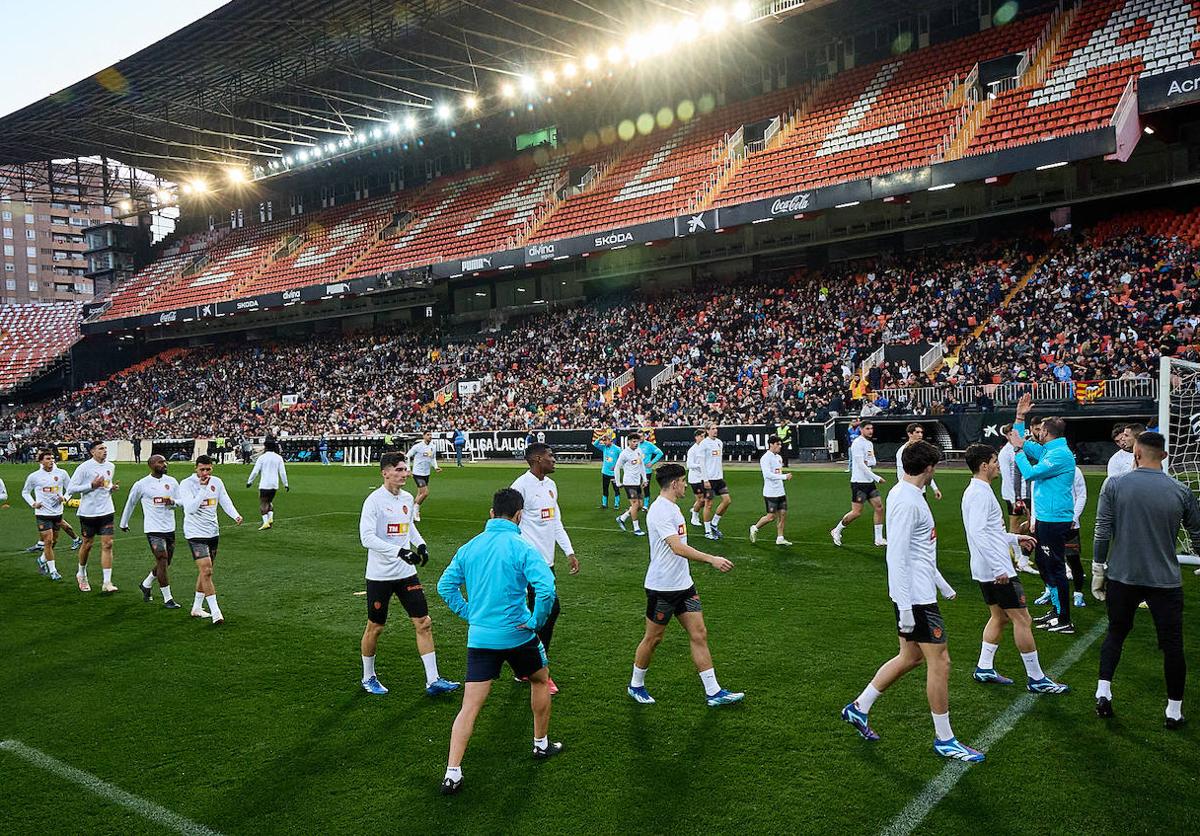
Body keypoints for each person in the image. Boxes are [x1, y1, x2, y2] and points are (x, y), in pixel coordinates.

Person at [841, 440, 985, 762]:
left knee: (909, 657)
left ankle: (859, 708)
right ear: (929, 469)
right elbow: (897, 556)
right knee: (941, 661)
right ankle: (945, 739)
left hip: (919, 592)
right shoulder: (907, 501)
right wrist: (905, 606)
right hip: (916, 600)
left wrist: (942, 584)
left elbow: (920, 552)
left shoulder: (908, 495)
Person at [437, 488, 560, 795]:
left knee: (470, 706)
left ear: (491, 513)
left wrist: (468, 612)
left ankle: (452, 772)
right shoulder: (522, 546)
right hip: (519, 634)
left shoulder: (470, 546)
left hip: (481, 637)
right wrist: (536, 621)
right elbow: (546, 590)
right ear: (519, 516)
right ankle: (540, 745)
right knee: (539, 680)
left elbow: (445, 586)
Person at [1092, 431, 1200, 727]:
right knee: (1172, 645)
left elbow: (1102, 529)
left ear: (1136, 454)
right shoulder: (1180, 491)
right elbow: (1197, 532)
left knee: (1116, 632)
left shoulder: (1114, 484)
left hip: (1122, 576)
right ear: (1164, 456)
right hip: (1164, 579)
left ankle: (1103, 692)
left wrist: (1098, 568)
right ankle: (1173, 711)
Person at [626, 463, 743, 707]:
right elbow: (677, 547)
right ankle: (635, 685)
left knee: (699, 634)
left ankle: (713, 692)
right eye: (684, 481)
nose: (687, 485)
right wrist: (711, 559)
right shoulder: (659, 510)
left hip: (684, 585)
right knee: (653, 639)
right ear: (675, 483)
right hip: (662, 588)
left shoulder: (674, 509)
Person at [960, 444, 1068, 693]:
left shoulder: (979, 490)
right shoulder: (979, 493)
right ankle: (1037, 678)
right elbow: (977, 533)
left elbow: (989, 531)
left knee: (999, 617)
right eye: (995, 461)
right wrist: (999, 567)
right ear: (984, 465)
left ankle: (984, 668)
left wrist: (1014, 538)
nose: (999, 465)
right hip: (996, 570)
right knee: (1023, 619)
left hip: (987, 567)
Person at [358, 452, 459, 697]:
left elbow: (408, 525)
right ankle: (368, 677)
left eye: (406, 469)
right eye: (401, 469)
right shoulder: (373, 501)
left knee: (423, 622)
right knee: (376, 627)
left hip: (406, 573)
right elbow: (366, 538)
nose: (406, 473)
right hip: (380, 575)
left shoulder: (405, 498)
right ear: (385, 472)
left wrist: (420, 544)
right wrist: (400, 552)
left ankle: (433, 679)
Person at [511, 443, 580, 695]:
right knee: (550, 609)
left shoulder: (550, 486)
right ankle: (536, 667)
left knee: (536, 614)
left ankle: (525, 667)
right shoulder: (520, 487)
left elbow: (556, 522)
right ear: (538, 459)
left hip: (546, 564)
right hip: (529, 564)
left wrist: (569, 551)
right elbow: (510, 524)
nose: (555, 460)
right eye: (551, 456)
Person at [1006, 393, 1077, 634]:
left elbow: (1031, 473)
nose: (1037, 434)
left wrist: (1017, 453)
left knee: (1055, 566)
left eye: (1040, 431)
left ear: (1046, 433)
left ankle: (1064, 618)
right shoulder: (1050, 449)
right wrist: (1019, 417)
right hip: (1047, 517)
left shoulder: (1059, 454)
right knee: (1046, 565)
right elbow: (1021, 441)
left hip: (1055, 519)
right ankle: (1057, 611)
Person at [178, 455, 242, 624]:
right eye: (202, 469)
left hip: (212, 532)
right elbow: (190, 509)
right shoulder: (186, 484)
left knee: (205, 572)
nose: (205, 473)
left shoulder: (217, 482)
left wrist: (235, 515)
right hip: (195, 533)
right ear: (195, 468)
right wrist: (203, 490)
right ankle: (216, 612)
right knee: (207, 571)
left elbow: (224, 500)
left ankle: (197, 608)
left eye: (208, 469)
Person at [119, 454, 182, 609]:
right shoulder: (142, 484)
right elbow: (131, 502)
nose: (165, 464)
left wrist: (173, 502)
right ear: (152, 464)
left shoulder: (172, 482)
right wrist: (123, 522)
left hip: (169, 527)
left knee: (166, 562)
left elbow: (182, 501)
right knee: (162, 558)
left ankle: (146, 584)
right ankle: (168, 599)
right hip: (153, 529)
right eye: (161, 462)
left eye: (165, 461)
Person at [67, 441, 120, 594]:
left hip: (107, 510)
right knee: (87, 544)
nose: (104, 451)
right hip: (88, 512)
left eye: (105, 448)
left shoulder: (111, 466)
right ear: (92, 452)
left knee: (108, 544)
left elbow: (106, 485)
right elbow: (71, 488)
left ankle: (107, 582)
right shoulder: (84, 468)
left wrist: (111, 488)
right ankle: (81, 573)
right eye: (101, 449)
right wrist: (91, 485)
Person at [20, 449, 81, 581]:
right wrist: (33, 503)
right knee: (47, 541)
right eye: (48, 459)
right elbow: (25, 492)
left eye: (52, 458)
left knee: (53, 542)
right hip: (42, 513)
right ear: (41, 461)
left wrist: (64, 498)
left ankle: (42, 560)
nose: (51, 461)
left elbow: (70, 489)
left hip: (57, 513)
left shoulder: (62, 473)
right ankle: (53, 571)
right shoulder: (34, 476)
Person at [831, 420, 886, 547]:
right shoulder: (857, 444)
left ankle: (878, 538)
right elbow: (861, 465)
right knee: (856, 512)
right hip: (859, 483)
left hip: (869, 482)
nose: (870, 431)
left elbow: (873, 462)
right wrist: (876, 477)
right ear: (861, 429)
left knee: (879, 507)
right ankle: (837, 530)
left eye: (871, 428)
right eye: (867, 428)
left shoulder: (869, 444)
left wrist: (870, 465)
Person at [750, 435, 793, 546]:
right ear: (771, 444)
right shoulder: (765, 458)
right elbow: (767, 475)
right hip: (770, 492)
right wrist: (784, 477)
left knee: (783, 514)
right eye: (778, 444)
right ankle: (755, 527)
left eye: (780, 444)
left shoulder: (778, 457)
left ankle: (780, 537)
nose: (780, 446)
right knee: (771, 517)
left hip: (780, 491)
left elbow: (777, 472)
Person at [997, 424, 1031, 541]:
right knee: (1014, 524)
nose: (1013, 436)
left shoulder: (1023, 448)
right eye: (1010, 434)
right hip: (1013, 494)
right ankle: (1015, 554)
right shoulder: (1005, 453)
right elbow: (1006, 478)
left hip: (1027, 491)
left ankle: (1014, 543)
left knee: (1033, 522)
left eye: (1015, 433)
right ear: (1007, 436)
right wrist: (1013, 499)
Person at [247, 438, 289, 530]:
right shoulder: (278, 458)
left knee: (263, 503)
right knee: (269, 501)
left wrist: (249, 481)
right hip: (274, 484)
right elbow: (282, 472)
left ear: (265, 447)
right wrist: (286, 484)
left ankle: (265, 522)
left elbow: (255, 471)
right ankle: (270, 518)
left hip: (265, 484)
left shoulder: (262, 457)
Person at [699, 424, 731, 540]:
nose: (715, 430)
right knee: (708, 504)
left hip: (719, 478)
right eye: (712, 429)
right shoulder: (704, 444)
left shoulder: (719, 442)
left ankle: (714, 523)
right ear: (707, 431)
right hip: (709, 479)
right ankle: (707, 531)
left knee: (727, 500)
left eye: (716, 428)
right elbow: (701, 463)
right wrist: (705, 479)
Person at [896, 424, 942, 500]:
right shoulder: (902, 451)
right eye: (917, 432)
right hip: (909, 491)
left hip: (920, 490)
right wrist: (904, 490)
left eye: (921, 432)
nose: (920, 435)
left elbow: (926, 470)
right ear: (909, 434)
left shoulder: (921, 450)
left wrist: (935, 488)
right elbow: (901, 473)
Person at [614, 432, 647, 536]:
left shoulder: (639, 451)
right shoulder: (624, 453)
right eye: (634, 441)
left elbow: (642, 466)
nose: (636, 443)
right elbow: (617, 467)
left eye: (637, 441)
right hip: (629, 483)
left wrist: (644, 479)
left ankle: (622, 518)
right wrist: (618, 482)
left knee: (640, 505)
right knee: (635, 504)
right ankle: (636, 529)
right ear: (629, 442)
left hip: (637, 482)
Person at [406, 430, 441, 521]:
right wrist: (408, 469)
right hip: (418, 473)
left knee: (420, 493)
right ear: (424, 436)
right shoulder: (418, 446)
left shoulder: (433, 446)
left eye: (431, 435)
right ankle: (415, 509)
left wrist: (436, 467)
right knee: (425, 493)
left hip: (426, 473)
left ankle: (411, 512)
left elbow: (433, 458)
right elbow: (407, 456)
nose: (430, 436)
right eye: (428, 435)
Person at [592, 431, 621, 510]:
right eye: (604, 440)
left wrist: (616, 466)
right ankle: (604, 504)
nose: (604, 442)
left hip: (613, 473)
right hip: (605, 472)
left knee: (616, 489)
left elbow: (622, 459)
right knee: (605, 488)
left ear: (610, 440)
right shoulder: (604, 447)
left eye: (606, 440)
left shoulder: (617, 449)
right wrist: (601, 437)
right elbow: (595, 444)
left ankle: (616, 504)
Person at [685, 428, 706, 527]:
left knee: (705, 500)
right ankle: (694, 516)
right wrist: (700, 466)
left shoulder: (705, 448)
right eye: (701, 436)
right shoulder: (692, 450)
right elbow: (689, 465)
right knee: (701, 500)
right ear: (696, 437)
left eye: (704, 436)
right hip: (695, 479)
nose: (703, 438)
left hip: (704, 477)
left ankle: (695, 509)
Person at [637, 430, 665, 501]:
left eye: (641, 436)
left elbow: (660, 453)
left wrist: (652, 463)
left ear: (644, 437)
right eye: (638, 436)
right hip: (637, 470)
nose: (640, 438)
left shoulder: (649, 445)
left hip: (646, 470)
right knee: (637, 487)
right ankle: (638, 503)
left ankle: (645, 505)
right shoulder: (635, 445)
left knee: (646, 487)